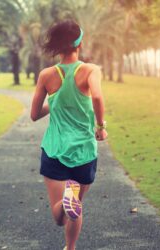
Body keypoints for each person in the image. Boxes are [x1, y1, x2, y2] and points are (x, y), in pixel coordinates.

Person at [30, 20, 107, 250]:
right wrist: (100, 126)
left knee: (60, 216)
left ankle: (68, 204)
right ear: (79, 43)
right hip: (84, 151)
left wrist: (54, 104)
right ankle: (70, 247)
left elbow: (34, 114)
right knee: (75, 207)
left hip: (55, 150)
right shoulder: (91, 70)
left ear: (58, 47)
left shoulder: (46, 75)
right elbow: (97, 97)